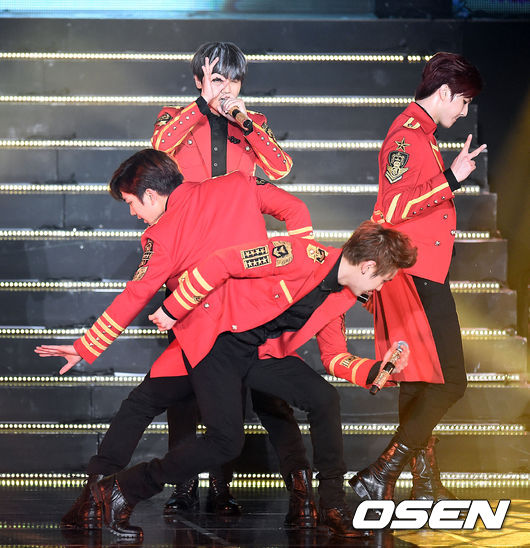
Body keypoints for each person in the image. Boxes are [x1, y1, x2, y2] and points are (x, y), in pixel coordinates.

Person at [35, 149, 316, 530]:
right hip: (263, 326)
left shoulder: (161, 235)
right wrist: (297, 269)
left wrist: (85, 346)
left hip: (208, 340)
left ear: (151, 195)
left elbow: (135, 295)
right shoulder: (238, 184)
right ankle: (305, 502)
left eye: (131, 203)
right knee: (275, 409)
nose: (133, 213)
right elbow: (296, 210)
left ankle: (94, 499)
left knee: (144, 406)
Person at [86, 221, 417, 540]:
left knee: (324, 397)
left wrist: (378, 369)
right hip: (220, 340)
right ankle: (123, 488)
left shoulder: (342, 297)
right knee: (225, 441)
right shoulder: (295, 253)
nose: (380, 288)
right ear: (368, 267)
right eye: (384, 280)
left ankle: (332, 504)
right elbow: (222, 262)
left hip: (260, 353)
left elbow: (334, 357)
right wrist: (173, 308)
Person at [151, 41, 297, 515]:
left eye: (233, 79)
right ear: (199, 80)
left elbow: (281, 168)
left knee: (232, 382)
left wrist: (245, 121)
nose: (226, 87)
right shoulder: (175, 118)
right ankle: (182, 485)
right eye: (217, 78)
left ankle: (221, 486)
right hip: (188, 261)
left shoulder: (252, 123)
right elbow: (158, 150)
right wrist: (203, 106)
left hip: (239, 267)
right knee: (184, 382)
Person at [349, 52, 487, 504]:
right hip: (416, 275)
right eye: (463, 101)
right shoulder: (407, 136)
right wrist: (452, 178)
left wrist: (449, 176)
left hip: (420, 273)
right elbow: (392, 208)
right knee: (450, 382)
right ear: (444, 92)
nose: (463, 112)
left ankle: (424, 482)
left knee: (421, 381)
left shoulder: (420, 134)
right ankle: (381, 471)